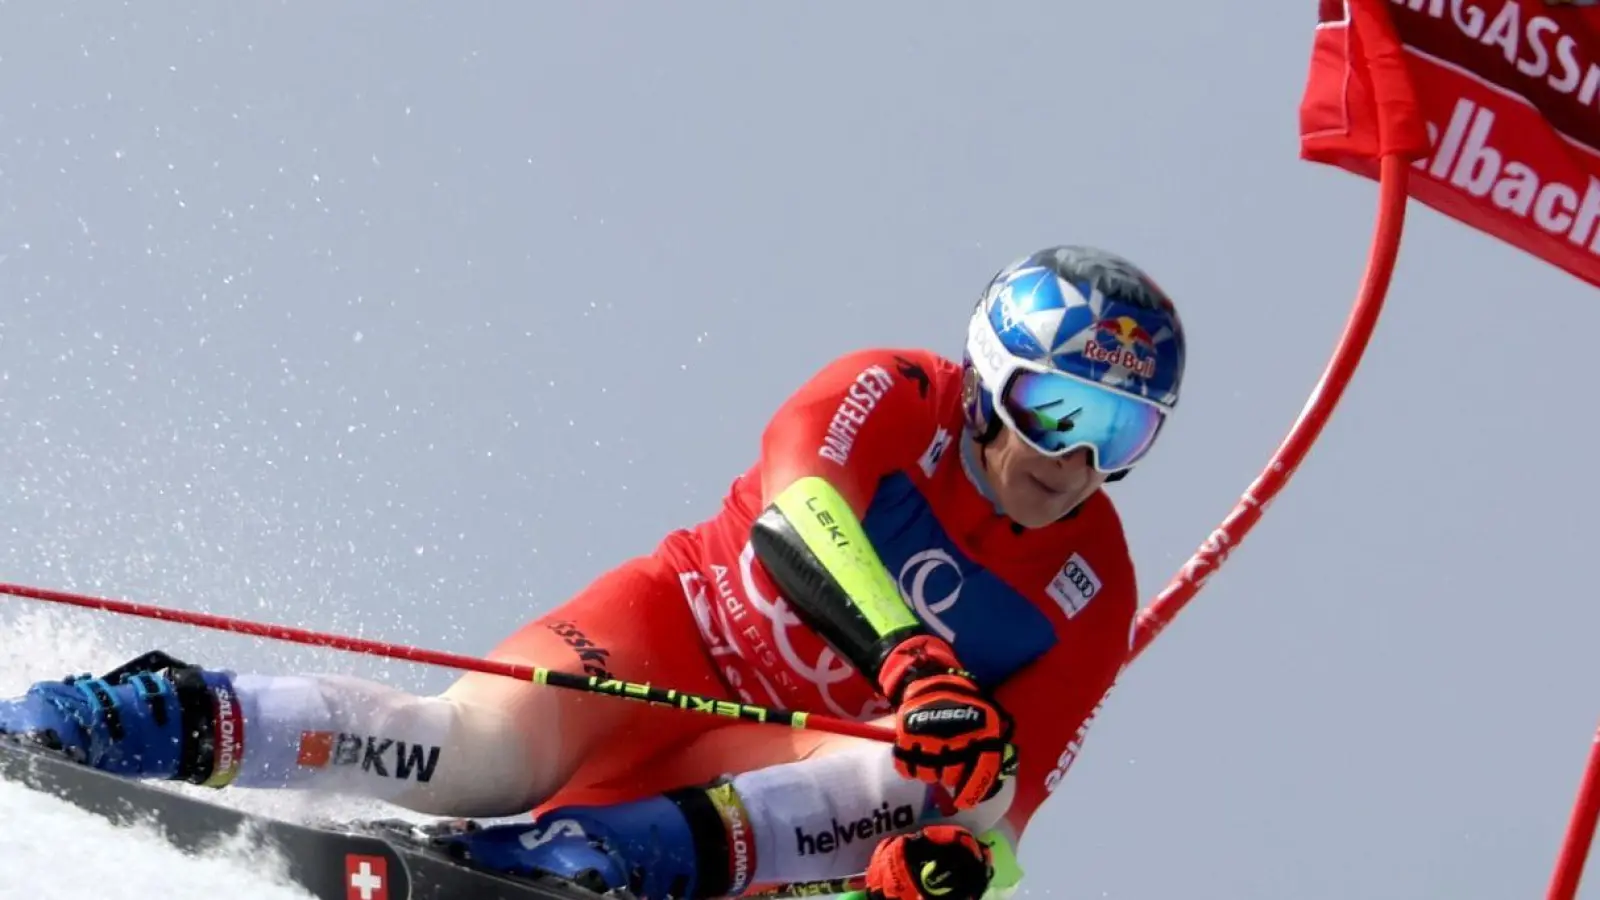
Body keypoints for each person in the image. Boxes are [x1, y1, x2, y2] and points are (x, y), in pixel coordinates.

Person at [0, 245, 1186, 900]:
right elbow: (798, 518)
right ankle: (126, 719)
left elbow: (999, 812)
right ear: (987, 377)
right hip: (666, 644)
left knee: (914, 772)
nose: (1073, 460)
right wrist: (916, 655)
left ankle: (589, 868)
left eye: (1120, 432)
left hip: (761, 777)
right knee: (469, 752)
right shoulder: (890, 392)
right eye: (1055, 407)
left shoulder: (1093, 587)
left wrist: (951, 870)